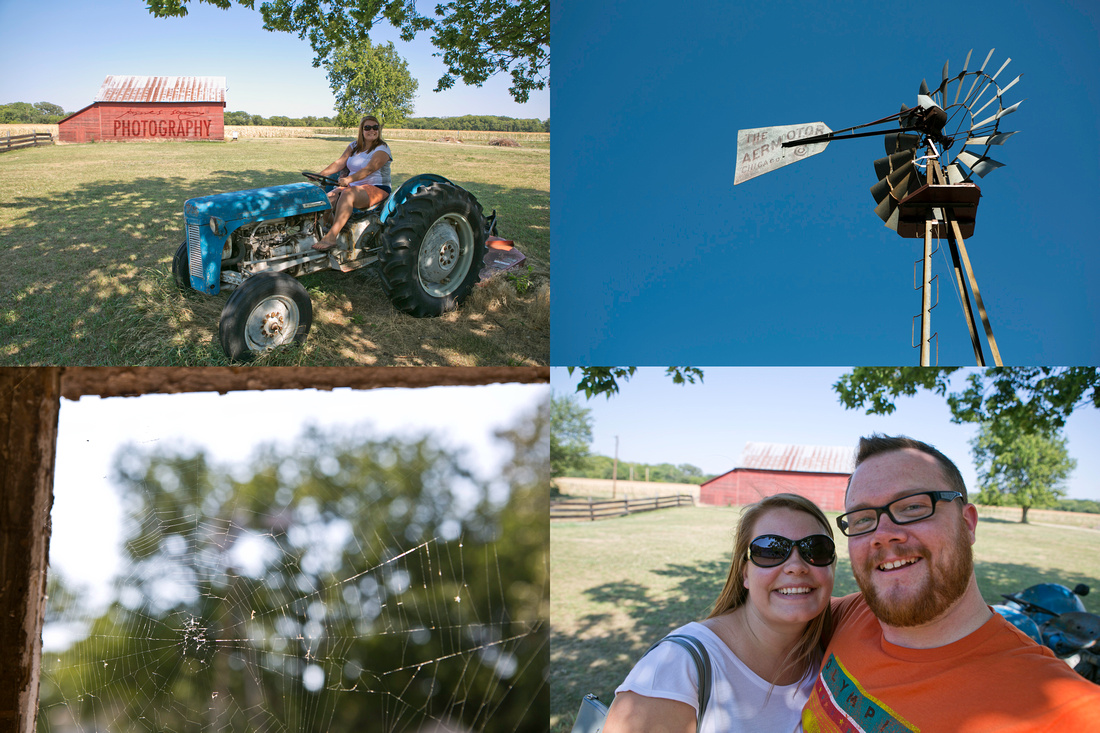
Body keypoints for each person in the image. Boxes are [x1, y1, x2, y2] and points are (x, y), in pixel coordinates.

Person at [801, 434, 1100, 732]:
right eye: (862, 519)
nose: (883, 533)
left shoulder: (1062, 709)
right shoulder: (847, 615)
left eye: (913, 507)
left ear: (967, 524)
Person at [604, 494, 837, 732]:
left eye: (817, 549)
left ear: (832, 567)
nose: (796, 566)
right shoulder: (676, 668)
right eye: (770, 550)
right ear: (745, 573)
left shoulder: (832, 657)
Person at [312, 115, 393, 252]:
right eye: (367, 127)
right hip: (354, 186)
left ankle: (331, 237)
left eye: (375, 127)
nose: (371, 130)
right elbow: (339, 162)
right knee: (325, 200)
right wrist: (320, 174)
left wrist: (348, 179)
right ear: (361, 130)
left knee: (348, 194)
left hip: (377, 187)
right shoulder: (354, 146)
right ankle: (324, 232)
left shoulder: (382, 148)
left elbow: (369, 169)